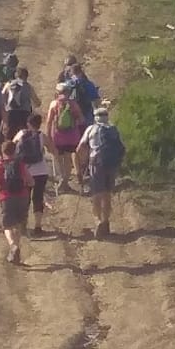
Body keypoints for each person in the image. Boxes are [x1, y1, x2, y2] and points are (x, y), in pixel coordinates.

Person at [77, 103, 126, 240]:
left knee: (97, 194)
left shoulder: (91, 129)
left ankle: (98, 220)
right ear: (107, 117)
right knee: (107, 194)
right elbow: (122, 148)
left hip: (96, 163)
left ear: (95, 117)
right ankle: (106, 221)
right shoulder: (114, 129)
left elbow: (80, 148)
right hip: (112, 164)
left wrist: (82, 163)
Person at [0, 138, 32, 264]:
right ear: (15, 151)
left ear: (2, 151)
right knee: (18, 224)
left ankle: (13, 245)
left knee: (7, 225)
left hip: (6, 197)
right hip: (22, 196)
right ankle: (16, 249)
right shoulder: (21, 164)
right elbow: (31, 181)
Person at [14, 112, 52, 234]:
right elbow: (52, 150)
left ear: (28, 123)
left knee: (24, 198)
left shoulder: (21, 134)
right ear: (40, 124)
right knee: (38, 198)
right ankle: (38, 226)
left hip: (25, 171)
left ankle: (23, 224)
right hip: (41, 171)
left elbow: (11, 147)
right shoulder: (42, 136)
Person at [45, 79, 85, 191]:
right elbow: (81, 119)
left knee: (57, 158)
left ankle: (62, 179)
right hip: (72, 136)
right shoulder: (73, 104)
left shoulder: (54, 104)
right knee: (68, 159)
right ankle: (65, 181)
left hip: (57, 136)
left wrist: (48, 137)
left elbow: (49, 122)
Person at [1, 64, 39, 141]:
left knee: (9, 137)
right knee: (23, 137)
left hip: (11, 113)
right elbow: (36, 102)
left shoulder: (9, 84)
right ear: (26, 76)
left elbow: (2, 97)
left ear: (16, 75)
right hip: (24, 114)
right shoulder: (28, 86)